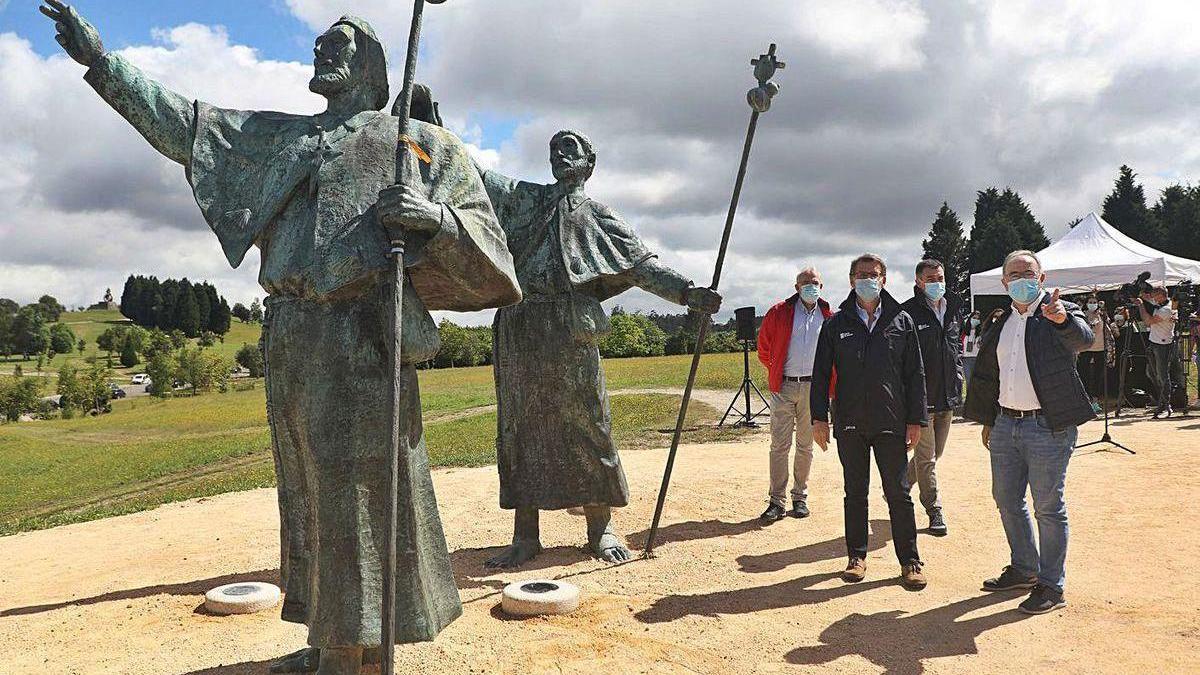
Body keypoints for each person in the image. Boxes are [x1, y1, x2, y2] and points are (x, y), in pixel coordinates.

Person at [41, 5, 524, 673]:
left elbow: (493, 257)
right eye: (320, 42)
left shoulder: (415, 143)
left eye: (339, 45)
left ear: (372, 69)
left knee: (361, 499)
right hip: (294, 336)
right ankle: (331, 638)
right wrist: (104, 63)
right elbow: (187, 126)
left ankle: (365, 652)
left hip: (365, 337)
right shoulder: (281, 139)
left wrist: (434, 218)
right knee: (310, 498)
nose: (321, 51)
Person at [478, 130, 721, 569]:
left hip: (572, 330)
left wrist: (688, 294)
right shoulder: (525, 199)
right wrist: (430, 131)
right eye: (554, 148)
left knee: (589, 426)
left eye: (570, 148)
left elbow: (643, 266)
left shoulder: (600, 217)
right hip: (521, 327)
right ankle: (525, 536)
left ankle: (600, 528)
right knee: (520, 430)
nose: (560, 154)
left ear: (590, 162)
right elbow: (476, 175)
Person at [964, 250, 1094, 615]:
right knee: (1006, 500)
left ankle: (1052, 586)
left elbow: (1082, 339)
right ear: (1004, 282)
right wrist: (990, 419)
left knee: (1049, 508)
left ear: (1042, 277)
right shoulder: (1001, 320)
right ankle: (1024, 567)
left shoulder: (1057, 310)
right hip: (1006, 424)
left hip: (1047, 426)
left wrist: (1061, 320)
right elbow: (994, 375)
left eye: (1028, 272)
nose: (1022, 278)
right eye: (1014, 273)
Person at [811, 253, 928, 590]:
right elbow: (820, 375)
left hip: (892, 421)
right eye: (861, 274)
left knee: (899, 493)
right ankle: (856, 556)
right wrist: (819, 418)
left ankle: (910, 561)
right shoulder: (836, 324)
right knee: (855, 492)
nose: (867, 279)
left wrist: (916, 419)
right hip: (850, 421)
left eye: (873, 274)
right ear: (851, 280)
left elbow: (914, 374)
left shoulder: (901, 320)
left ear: (884, 280)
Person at [756, 267, 834, 521]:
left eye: (814, 282)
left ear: (821, 286)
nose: (810, 286)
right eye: (805, 282)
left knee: (805, 446)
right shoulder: (779, 312)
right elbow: (764, 348)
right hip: (784, 387)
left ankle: (799, 498)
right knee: (779, 446)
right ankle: (776, 502)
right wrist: (777, 369)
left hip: (814, 389)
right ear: (796, 287)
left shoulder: (828, 315)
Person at [900, 259, 963, 537]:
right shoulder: (908, 312)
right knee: (926, 458)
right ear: (919, 282)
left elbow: (954, 350)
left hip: (947, 395)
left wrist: (958, 377)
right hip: (921, 399)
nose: (937, 282)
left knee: (935, 453)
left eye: (940, 277)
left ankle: (900, 483)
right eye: (930, 278)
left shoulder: (954, 308)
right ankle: (933, 508)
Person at [1138, 285, 1178, 418]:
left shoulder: (1167, 309)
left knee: (1162, 375)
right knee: (1150, 373)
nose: (1153, 298)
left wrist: (1140, 306)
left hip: (1163, 344)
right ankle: (1162, 398)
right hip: (1154, 342)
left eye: (1155, 295)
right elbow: (1148, 299)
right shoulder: (1161, 303)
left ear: (1161, 295)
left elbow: (1148, 321)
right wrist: (1139, 294)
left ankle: (1166, 404)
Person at [1078, 291, 1106, 413]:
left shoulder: (1102, 315)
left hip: (1100, 348)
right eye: (1090, 302)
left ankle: (1096, 400)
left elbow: (1102, 329)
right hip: (1085, 348)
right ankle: (1086, 400)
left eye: (1094, 302)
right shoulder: (1082, 315)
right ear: (1086, 303)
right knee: (1084, 374)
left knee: (1098, 375)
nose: (1092, 304)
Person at [962, 310, 983, 390]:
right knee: (968, 381)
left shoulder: (981, 332)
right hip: (966, 359)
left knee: (977, 381)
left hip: (977, 359)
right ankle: (969, 400)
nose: (975, 320)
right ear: (970, 318)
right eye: (974, 318)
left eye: (977, 319)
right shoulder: (964, 331)